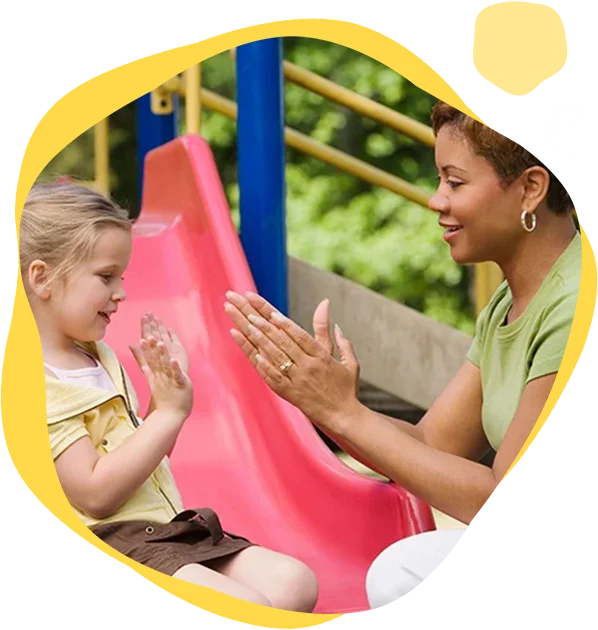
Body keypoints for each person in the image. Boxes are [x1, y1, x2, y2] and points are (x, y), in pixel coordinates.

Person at [223, 101, 583, 612]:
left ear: (530, 188)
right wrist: (328, 401)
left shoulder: (575, 306)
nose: (436, 200)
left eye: (455, 183)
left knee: (405, 578)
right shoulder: (512, 300)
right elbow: (433, 443)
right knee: (404, 570)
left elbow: (512, 506)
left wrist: (342, 412)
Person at [21, 183, 319, 612]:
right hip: (108, 545)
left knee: (294, 584)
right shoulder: (34, 379)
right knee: (245, 606)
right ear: (42, 277)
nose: (121, 292)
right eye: (106, 276)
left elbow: (143, 461)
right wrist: (172, 414)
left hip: (162, 531)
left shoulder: (97, 356)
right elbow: (93, 493)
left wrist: (163, 403)